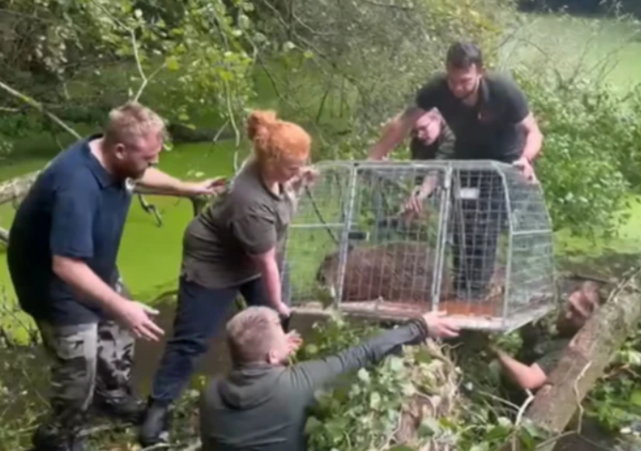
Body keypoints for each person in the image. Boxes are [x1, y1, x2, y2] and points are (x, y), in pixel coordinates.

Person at [6, 101, 224, 451]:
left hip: (94, 265)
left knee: (119, 337)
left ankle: (111, 399)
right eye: (148, 156)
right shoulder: (76, 185)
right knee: (79, 369)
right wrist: (120, 306)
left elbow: (141, 173)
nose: (154, 162)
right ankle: (61, 436)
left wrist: (185, 187)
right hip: (53, 283)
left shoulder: (118, 160)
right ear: (120, 149)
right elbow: (66, 265)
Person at [139, 110, 319, 447]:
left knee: (276, 327)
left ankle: (277, 387)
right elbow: (266, 265)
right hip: (215, 262)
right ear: (271, 162)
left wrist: (297, 181)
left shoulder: (273, 170)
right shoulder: (248, 199)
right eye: (294, 166)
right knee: (192, 338)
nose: (301, 169)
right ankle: (158, 407)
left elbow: (274, 227)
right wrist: (276, 304)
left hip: (255, 252)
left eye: (303, 163)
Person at [373, 41, 544, 300]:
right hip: (467, 159)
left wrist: (526, 159)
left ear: (480, 73)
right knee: (463, 218)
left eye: (464, 81)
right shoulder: (437, 89)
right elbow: (404, 121)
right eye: (452, 80)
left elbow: (533, 131)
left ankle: (476, 290)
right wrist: (376, 155)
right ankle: (461, 286)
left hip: (505, 161)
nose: (457, 88)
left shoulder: (503, 90)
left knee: (485, 222)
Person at [199, 307, 461, 451]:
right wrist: (420, 327)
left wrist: (276, 353)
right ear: (272, 355)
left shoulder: (210, 393)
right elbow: (361, 354)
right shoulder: (297, 385)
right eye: (281, 333)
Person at [492, 281, 602, 398]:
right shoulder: (555, 326)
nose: (568, 315)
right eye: (570, 306)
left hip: (511, 404)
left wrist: (494, 351)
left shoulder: (569, 348)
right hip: (503, 385)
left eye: (577, 315)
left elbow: (529, 379)